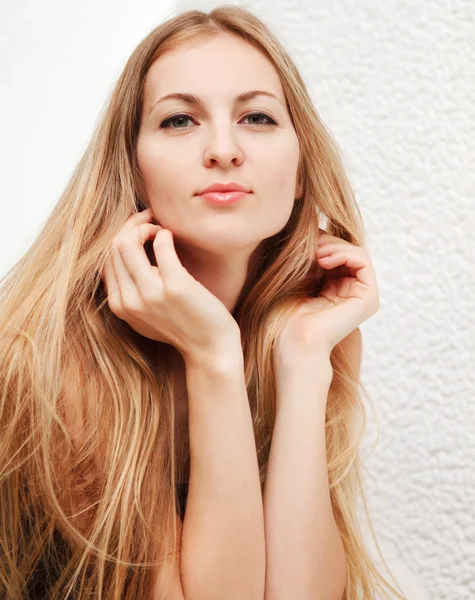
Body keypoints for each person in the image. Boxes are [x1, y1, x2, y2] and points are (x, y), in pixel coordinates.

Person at [0, 5, 407, 600]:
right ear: (132, 170)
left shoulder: (309, 331)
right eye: (180, 121)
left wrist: (303, 359)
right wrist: (212, 352)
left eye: (258, 117)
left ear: (299, 171)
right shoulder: (55, 358)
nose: (223, 148)